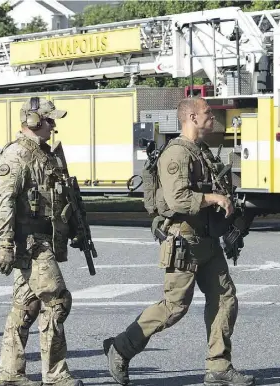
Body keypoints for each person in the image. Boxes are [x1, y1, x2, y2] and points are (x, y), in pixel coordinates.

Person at [102, 97, 255, 386]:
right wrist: (213, 198)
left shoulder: (202, 151)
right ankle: (121, 346)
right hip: (183, 240)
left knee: (225, 299)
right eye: (208, 113)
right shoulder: (176, 154)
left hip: (207, 240)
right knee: (174, 307)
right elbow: (178, 199)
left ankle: (218, 366)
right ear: (192, 118)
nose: (213, 117)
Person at [0, 96, 83, 386]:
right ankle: (55, 375)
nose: (53, 125)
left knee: (25, 306)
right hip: (29, 242)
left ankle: (9, 374)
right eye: (49, 119)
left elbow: (59, 197)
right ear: (32, 120)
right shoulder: (17, 154)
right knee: (57, 300)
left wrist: (75, 228)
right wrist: (5, 244)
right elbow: (3, 201)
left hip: (45, 238)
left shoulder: (46, 153)